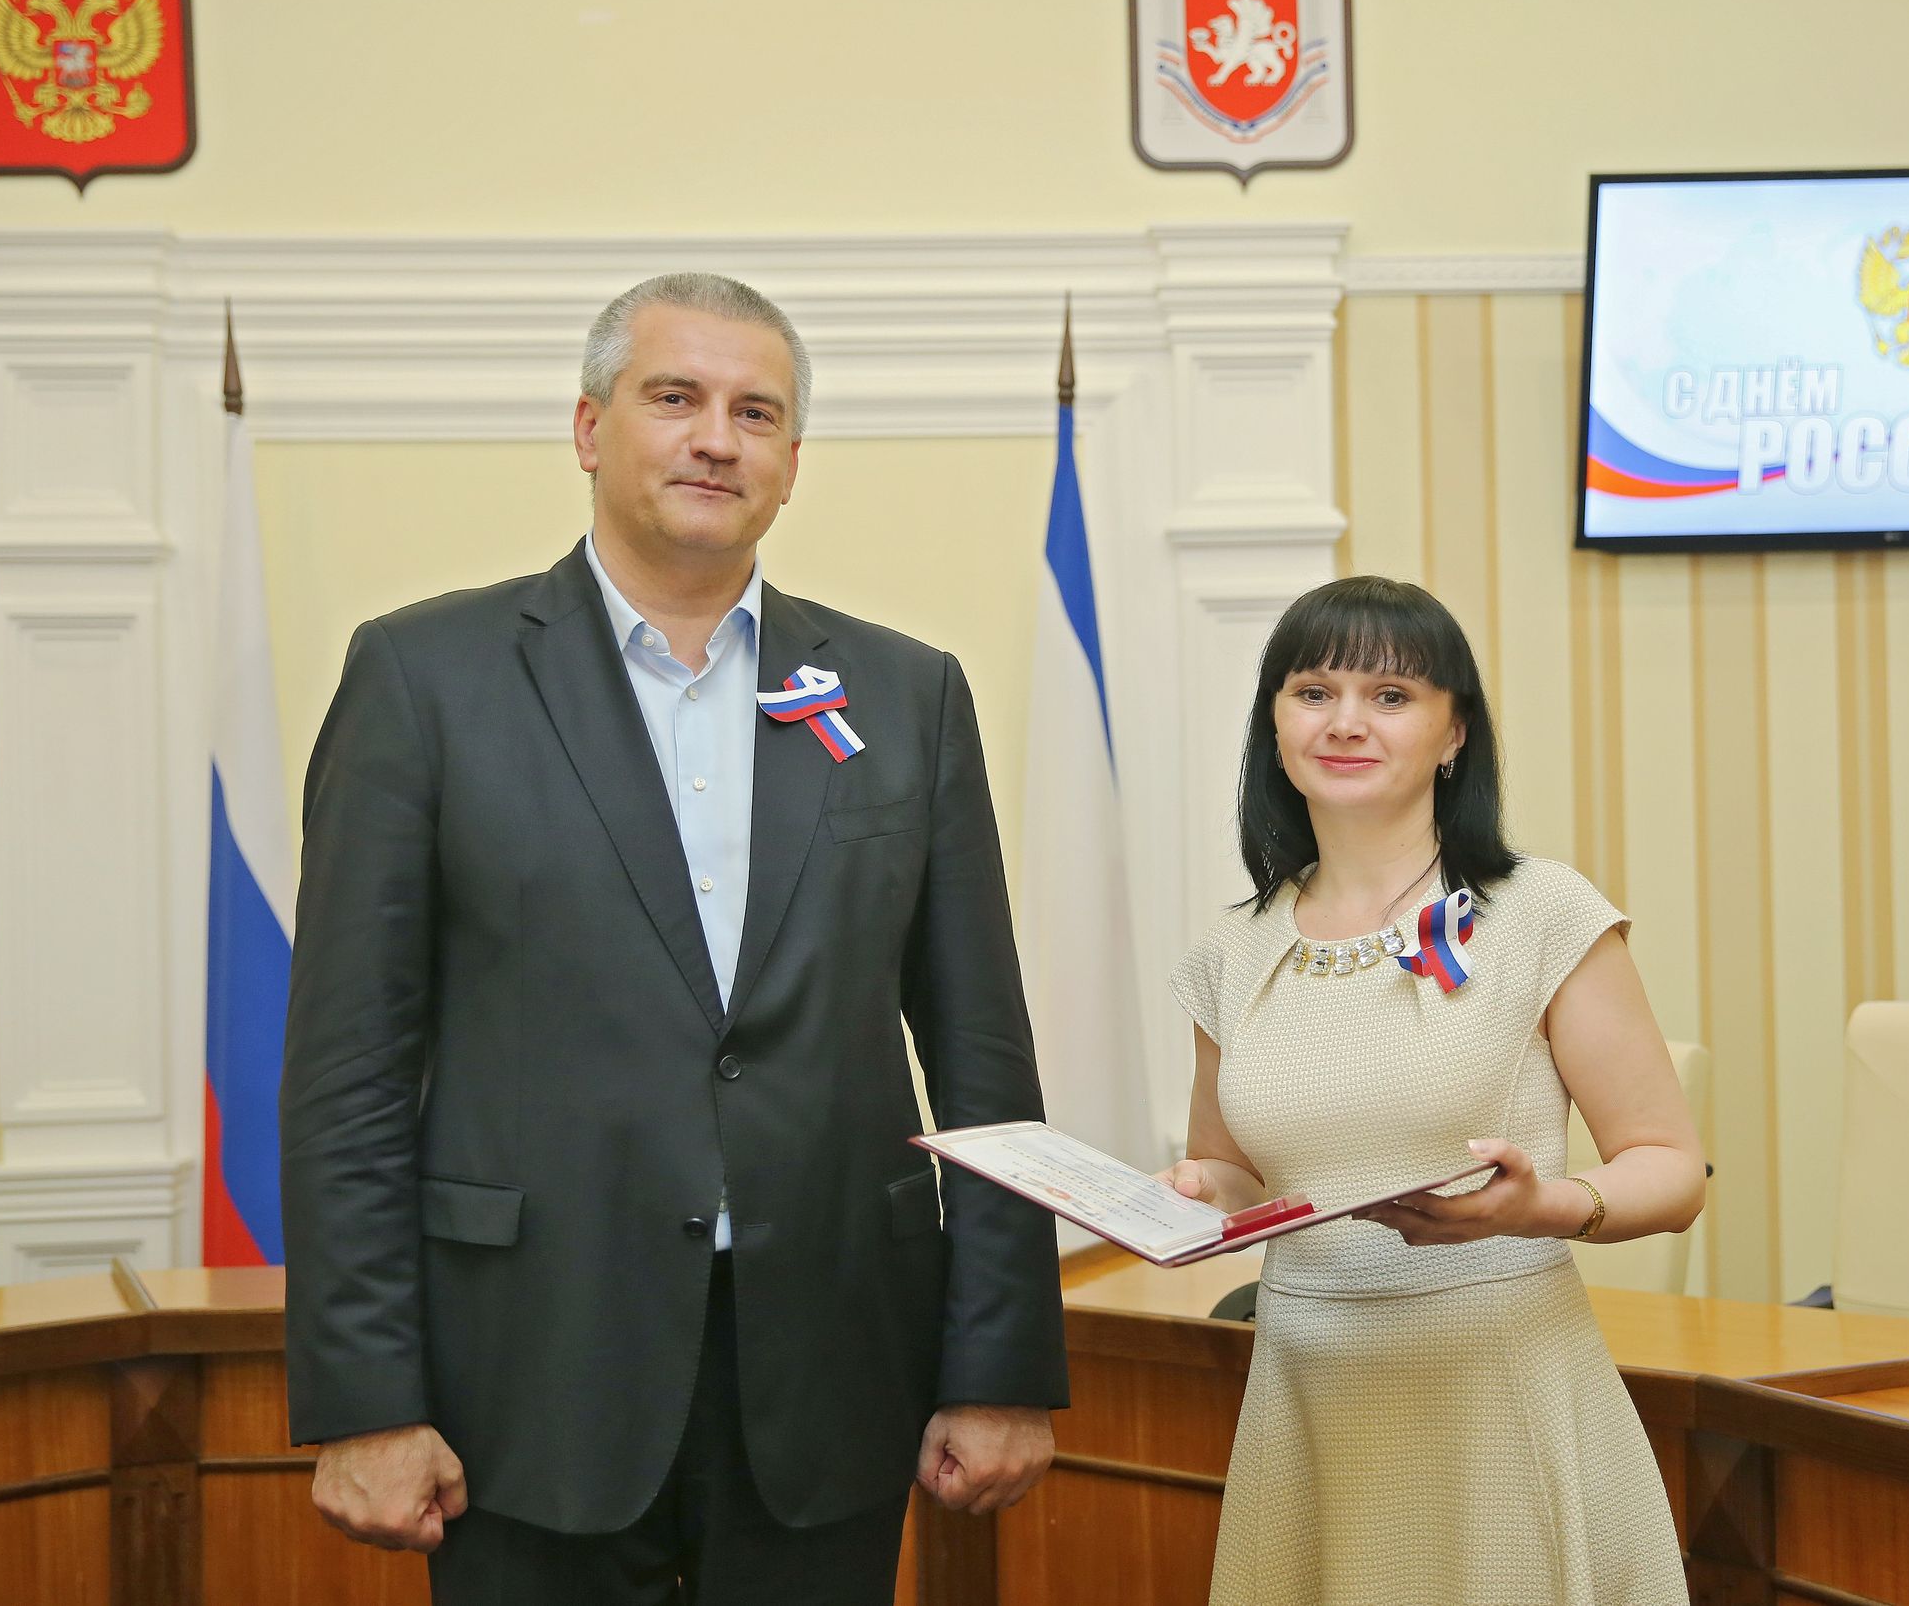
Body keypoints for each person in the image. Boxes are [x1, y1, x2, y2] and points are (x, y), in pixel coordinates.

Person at [279, 272, 1066, 1605]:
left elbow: (983, 1058)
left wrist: (1001, 1365)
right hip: (525, 1380)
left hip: (832, 1375)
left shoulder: (905, 693)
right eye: (675, 398)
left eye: (756, 413)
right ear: (590, 428)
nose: (716, 438)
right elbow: (348, 1073)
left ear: (792, 463)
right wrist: (364, 1398)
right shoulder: (423, 678)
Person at [1164, 576, 1703, 1606]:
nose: (1345, 722)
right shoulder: (1231, 952)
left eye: (1391, 696)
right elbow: (1233, 1173)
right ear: (1274, 725)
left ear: (1455, 733)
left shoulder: (1540, 912)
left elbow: (1672, 1169)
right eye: (1313, 692)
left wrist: (1545, 1206)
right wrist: (1186, 1193)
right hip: (1307, 1399)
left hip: (1497, 1394)